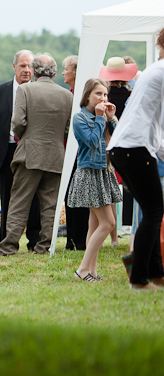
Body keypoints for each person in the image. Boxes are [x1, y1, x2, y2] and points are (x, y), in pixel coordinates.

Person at [0, 54, 73, 256]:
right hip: (56, 154)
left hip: (29, 153)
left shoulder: (25, 89)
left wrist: (26, 137)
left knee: (19, 201)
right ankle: (44, 246)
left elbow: (17, 122)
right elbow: (68, 129)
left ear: (35, 70)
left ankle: (9, 246)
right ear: (54, 72)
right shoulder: (67, 95)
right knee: (50, 205)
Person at [108, 28, 164, 291]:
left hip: (124, 148)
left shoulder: (154, 70)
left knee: (151, 213)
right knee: (153, 213)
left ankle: (155, 275)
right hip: (135, 148)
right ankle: (139, 278)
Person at [0, 50, 42, 249]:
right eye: (22, 66)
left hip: (30, 151)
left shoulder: (39, 90)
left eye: (30, 66)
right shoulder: (0, 90)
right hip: (6, 152)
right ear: (14, 67)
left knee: (33, 197)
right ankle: (6, 240)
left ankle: (34, 240)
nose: (26, 70)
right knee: (7, 197)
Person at [70, 79, 121, 281]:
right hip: (89, 173)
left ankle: (92, 271)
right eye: (98, 94)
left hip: (103, 172)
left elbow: (119, 141)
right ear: (88, 95)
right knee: (108, 223)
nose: (103, 98)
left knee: (94, 226)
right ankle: (82, 270)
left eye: (105, 94)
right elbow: (91, 142)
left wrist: (112, 119)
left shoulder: (103, 117)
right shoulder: (79, 117)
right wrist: (100, 118)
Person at [100, 56, 140, 241]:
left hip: (106, 143)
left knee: (108, 187)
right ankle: (128, 225)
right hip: (128, 144)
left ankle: (113, 232)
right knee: (129, 186)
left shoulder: (103, 97)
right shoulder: (133, 95)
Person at [61, 54, 89, 250]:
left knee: (79, 197)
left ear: (75, 71)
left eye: (66, 69)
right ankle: (72, 238)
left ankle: (80, 239)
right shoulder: (69, 92)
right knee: (69, 196)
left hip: (81, 153)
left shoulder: (79, 95)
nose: (63, 72)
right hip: (67, 152)